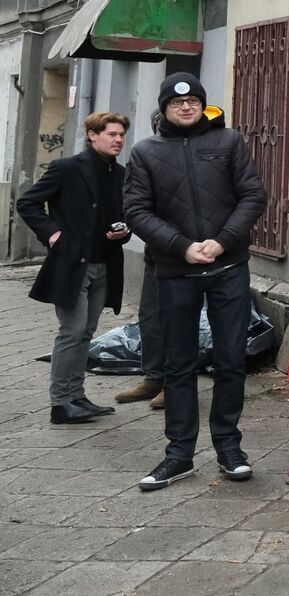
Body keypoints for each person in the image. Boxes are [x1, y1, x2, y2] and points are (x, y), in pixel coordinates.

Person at [124, 73, 267, 490]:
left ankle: (229, 449)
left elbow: (252, 196)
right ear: (164, 108)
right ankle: (178, 455)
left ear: (202, 105)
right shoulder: (146, 152)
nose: (185, 107)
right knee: (178, 366)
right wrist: (182, 246)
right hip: (175, 271)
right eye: (175, 103)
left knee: (230, 361)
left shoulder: (228, 143)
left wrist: (221, 243)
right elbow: (136, 210)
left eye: (193, 101)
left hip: (227, 268)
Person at [16, 112, 132, 424]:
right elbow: (27, 202)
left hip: (105, 265)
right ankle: (60, 403)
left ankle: (77, 396)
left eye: (121, 134)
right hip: (71, 265)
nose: (118, 139)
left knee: (87, 333)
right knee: (72, 331)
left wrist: (124, 232)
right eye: (112, 134)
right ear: (93, 135)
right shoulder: (66, 168)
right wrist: (52, 233)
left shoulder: (120, 174)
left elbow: (127, 216)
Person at [115, 111, 166, 410]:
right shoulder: (144, 154)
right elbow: (134, 200)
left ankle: (174, 384)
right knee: (149, 317)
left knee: (176, 321)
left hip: (184, 251)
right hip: (154, 251)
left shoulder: (193, 153)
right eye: (158, 124)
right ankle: (153, 377)